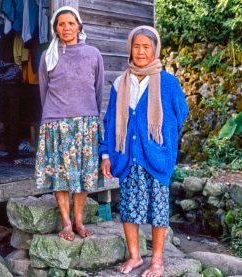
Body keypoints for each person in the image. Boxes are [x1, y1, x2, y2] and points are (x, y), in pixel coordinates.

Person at [100, 26, 189, 277]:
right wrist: (106, 154)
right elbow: (110, 121)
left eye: (146, 47)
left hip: (156, 158)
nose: (140, 51)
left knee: (158, 210)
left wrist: (163, 142)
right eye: (136, 46)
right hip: (128, 157)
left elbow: (181, 114)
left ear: (154, 50)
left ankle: (157, 261)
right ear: (130, 48)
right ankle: (135, 256)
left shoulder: (168, 83)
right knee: (130, 207)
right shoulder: (121, 82)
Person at [35, 6, 104, 241]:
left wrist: (88, 115)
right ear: (55, 28)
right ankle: (65, 222)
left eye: (71, 23)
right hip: (56, 123)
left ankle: (79, 221)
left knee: (84, 174)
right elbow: (44, 90)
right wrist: (56, 113)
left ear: (79, 26)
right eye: (61, 24)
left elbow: (98, 90)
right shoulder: (48, 56)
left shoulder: (93, 54)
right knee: (61, 174)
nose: (66, 28)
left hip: (86, 123)